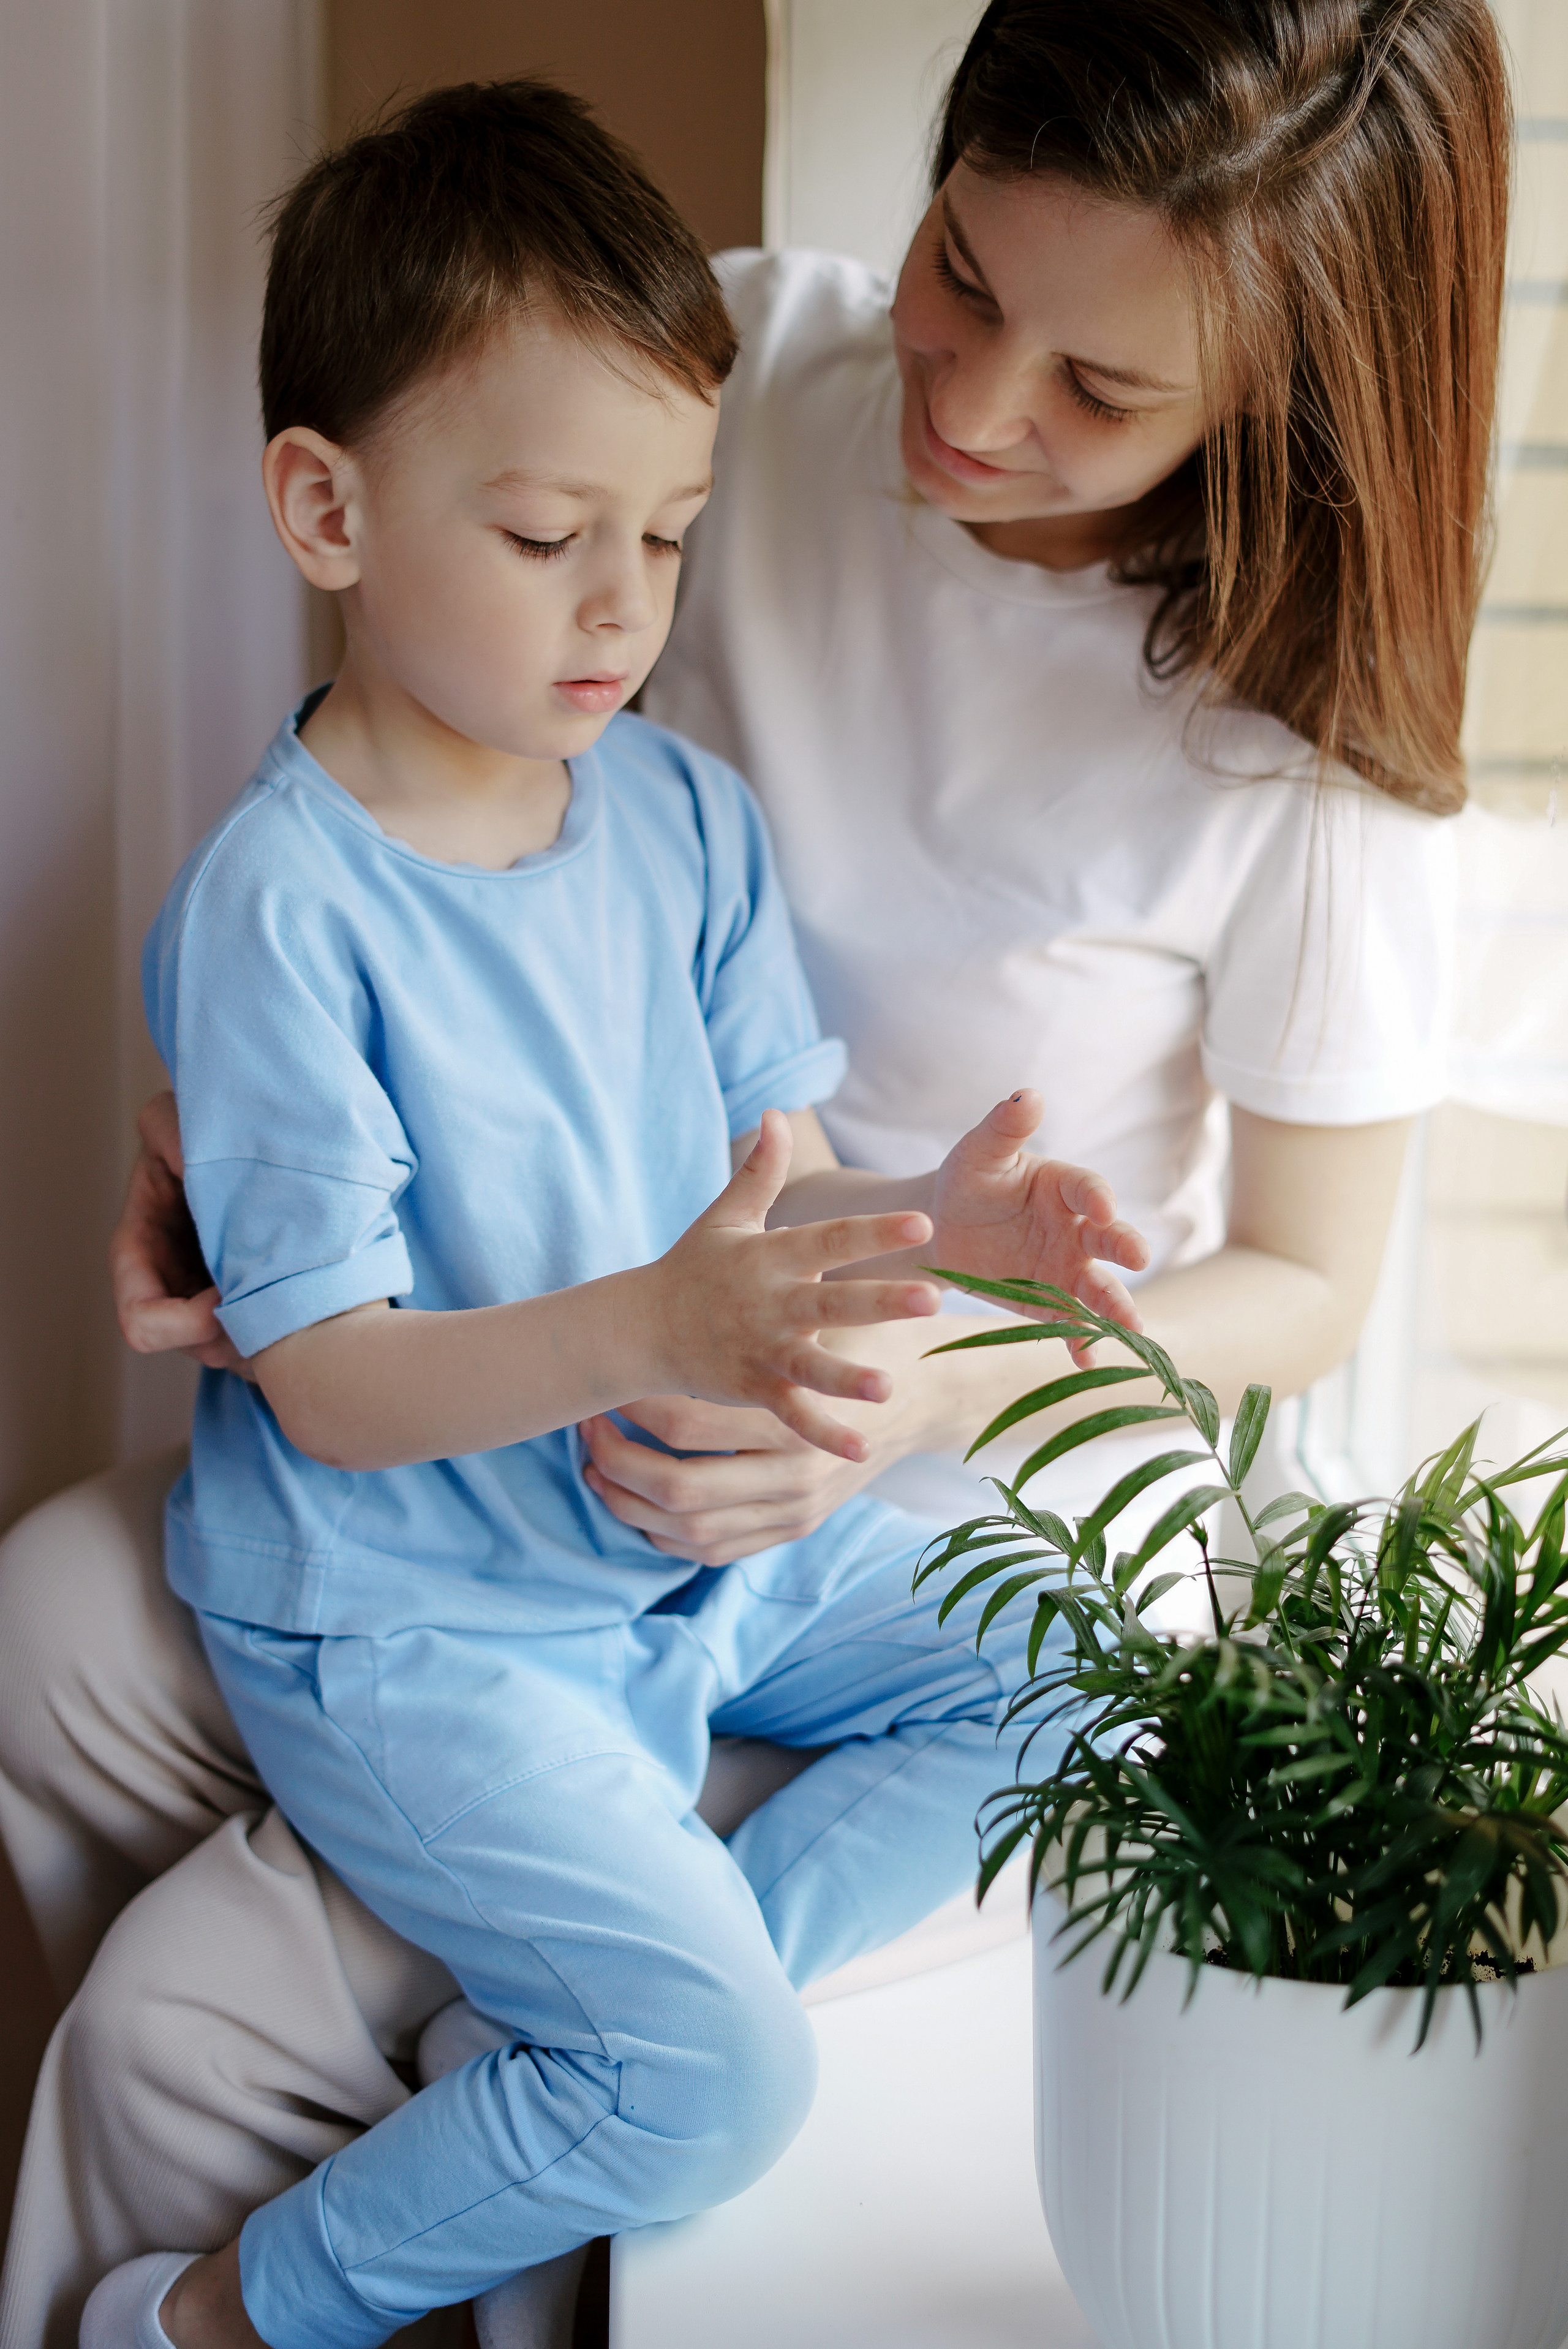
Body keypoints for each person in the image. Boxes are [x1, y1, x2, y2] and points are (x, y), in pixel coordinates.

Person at [0, 2, 1507, 2342]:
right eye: (962, 271)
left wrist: (947, 1333)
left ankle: (553, 2044)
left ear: (1275, 413)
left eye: (1103, 391)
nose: (975, 406)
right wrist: (234, 1116)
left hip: (877, 1454)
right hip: (523, 1459)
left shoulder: (1299, 777)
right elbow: (412, 835)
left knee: (994, 1763)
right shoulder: (693, 370)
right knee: (60, 1646)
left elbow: (1294, 1278)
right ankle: (304, 2217)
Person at [71, 77, 1148, 2349]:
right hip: (417, 1612)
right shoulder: (281, 909)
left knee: (1095, 1663)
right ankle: (211, 2319)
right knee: (730, 2084)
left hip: (679, 1549)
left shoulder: (676, 818)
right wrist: (659, 1322)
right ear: (327, 508)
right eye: (556, 531)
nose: (624, 608)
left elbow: (754, 1211)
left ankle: (624, 2005)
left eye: (666, 538)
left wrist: (943, 1219)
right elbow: (341, 1386)